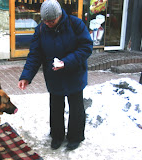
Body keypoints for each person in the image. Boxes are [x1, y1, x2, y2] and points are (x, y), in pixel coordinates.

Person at [18, 0, 93, 150]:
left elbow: (86, 47)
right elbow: (35, 55)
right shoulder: (41, 29)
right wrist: (26, 76)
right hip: (54, 76)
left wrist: (66, 62)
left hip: (74, 73)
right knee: (56, 107)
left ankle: (75, 137)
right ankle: (57, 136)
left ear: (59, 15)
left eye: (51, 20)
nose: (48, 24)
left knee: (76, 107)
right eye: (45, 21)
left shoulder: (75, 24)